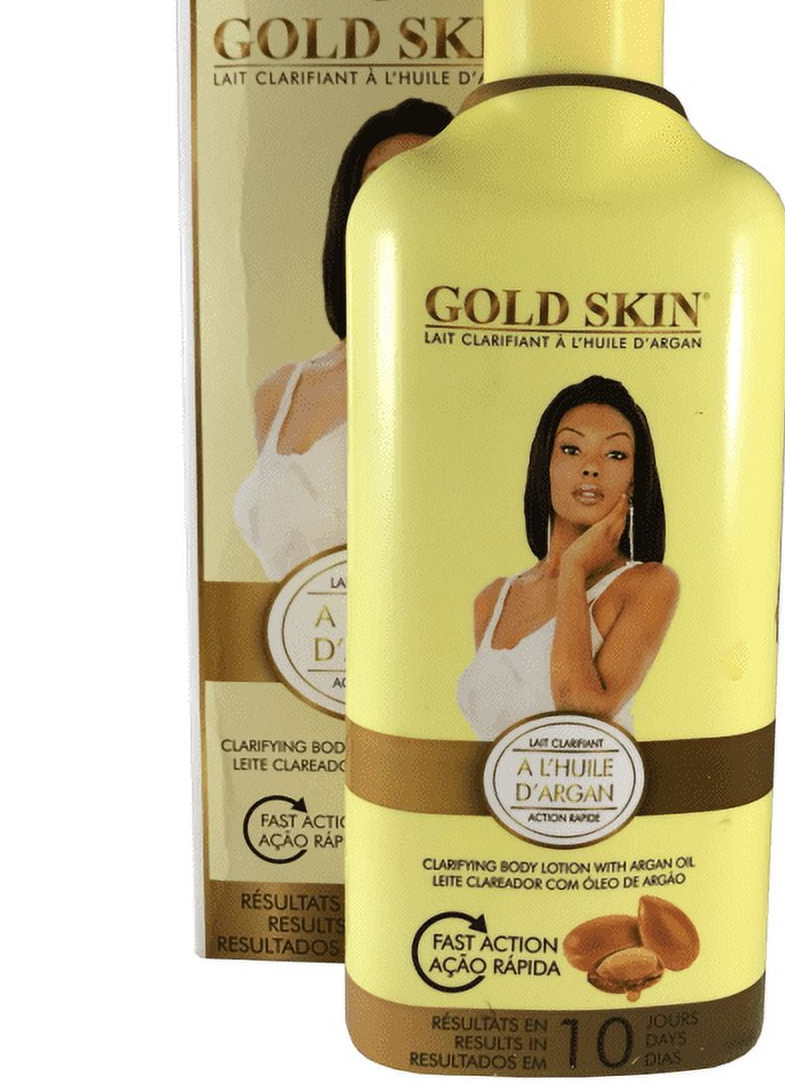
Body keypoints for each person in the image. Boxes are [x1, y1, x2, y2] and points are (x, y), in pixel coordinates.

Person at [234, 98, 454, 580]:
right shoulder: (279, 391)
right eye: (377, 185)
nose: (397, 203)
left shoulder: (475, 371)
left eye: (421, 183)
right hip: (292, 627)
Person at [457, 376, 680, 739]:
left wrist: (574, 568)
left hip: (603, 776)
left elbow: (580, 712)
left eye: (616, 454)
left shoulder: (649, 584)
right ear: (545, 465)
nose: (591, 467)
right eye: (571, 449)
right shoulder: (493, 599)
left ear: (633, 479)